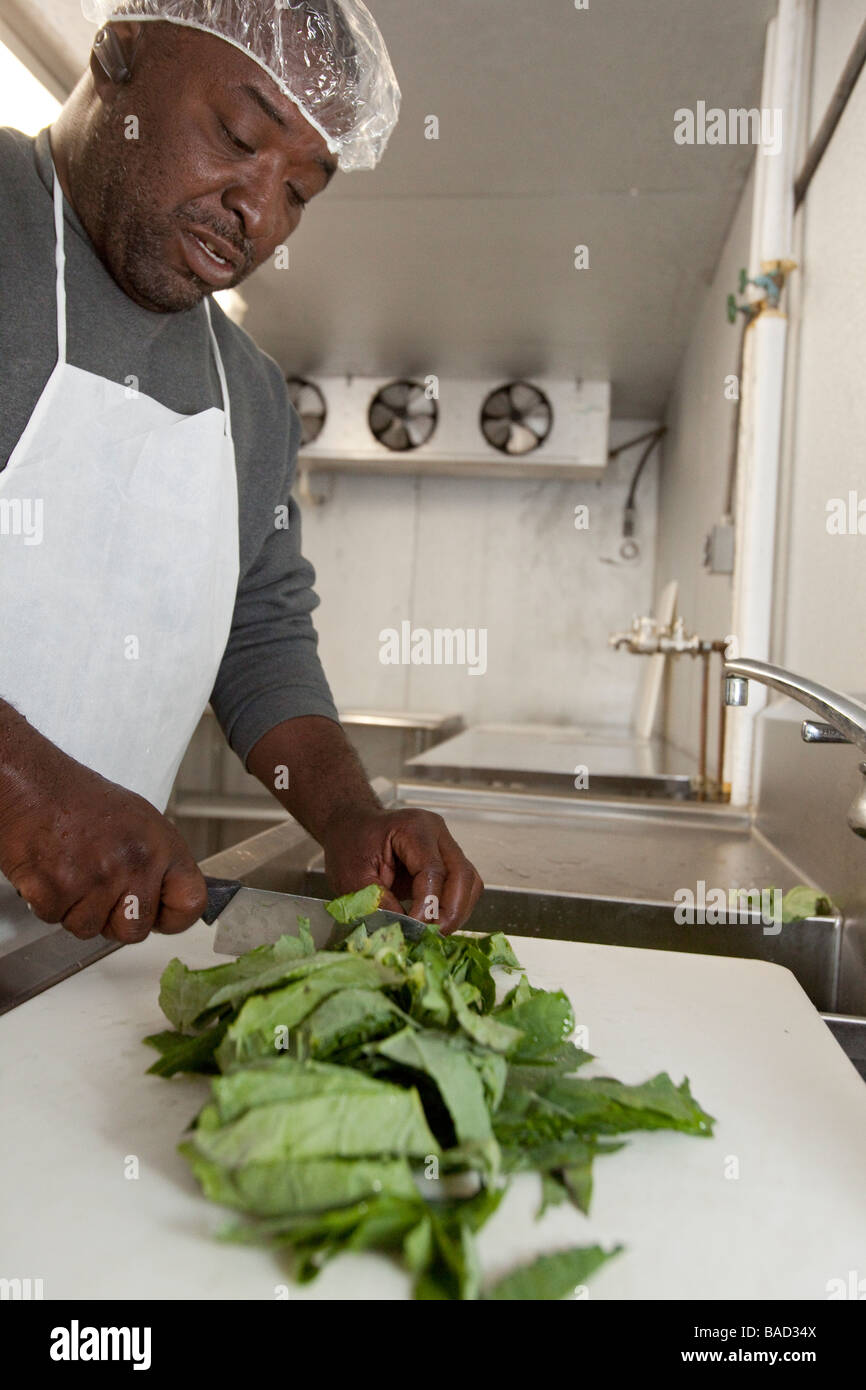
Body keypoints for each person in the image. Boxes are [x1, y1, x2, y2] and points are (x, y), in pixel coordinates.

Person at [0, 0, 483, 951]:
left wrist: (348, 818)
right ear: (118, 57)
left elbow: (258, 637)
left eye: (301, 191)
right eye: (238, 135)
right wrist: (26, 792)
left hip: (61, 967)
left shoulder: (251, 394)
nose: (260, 213)